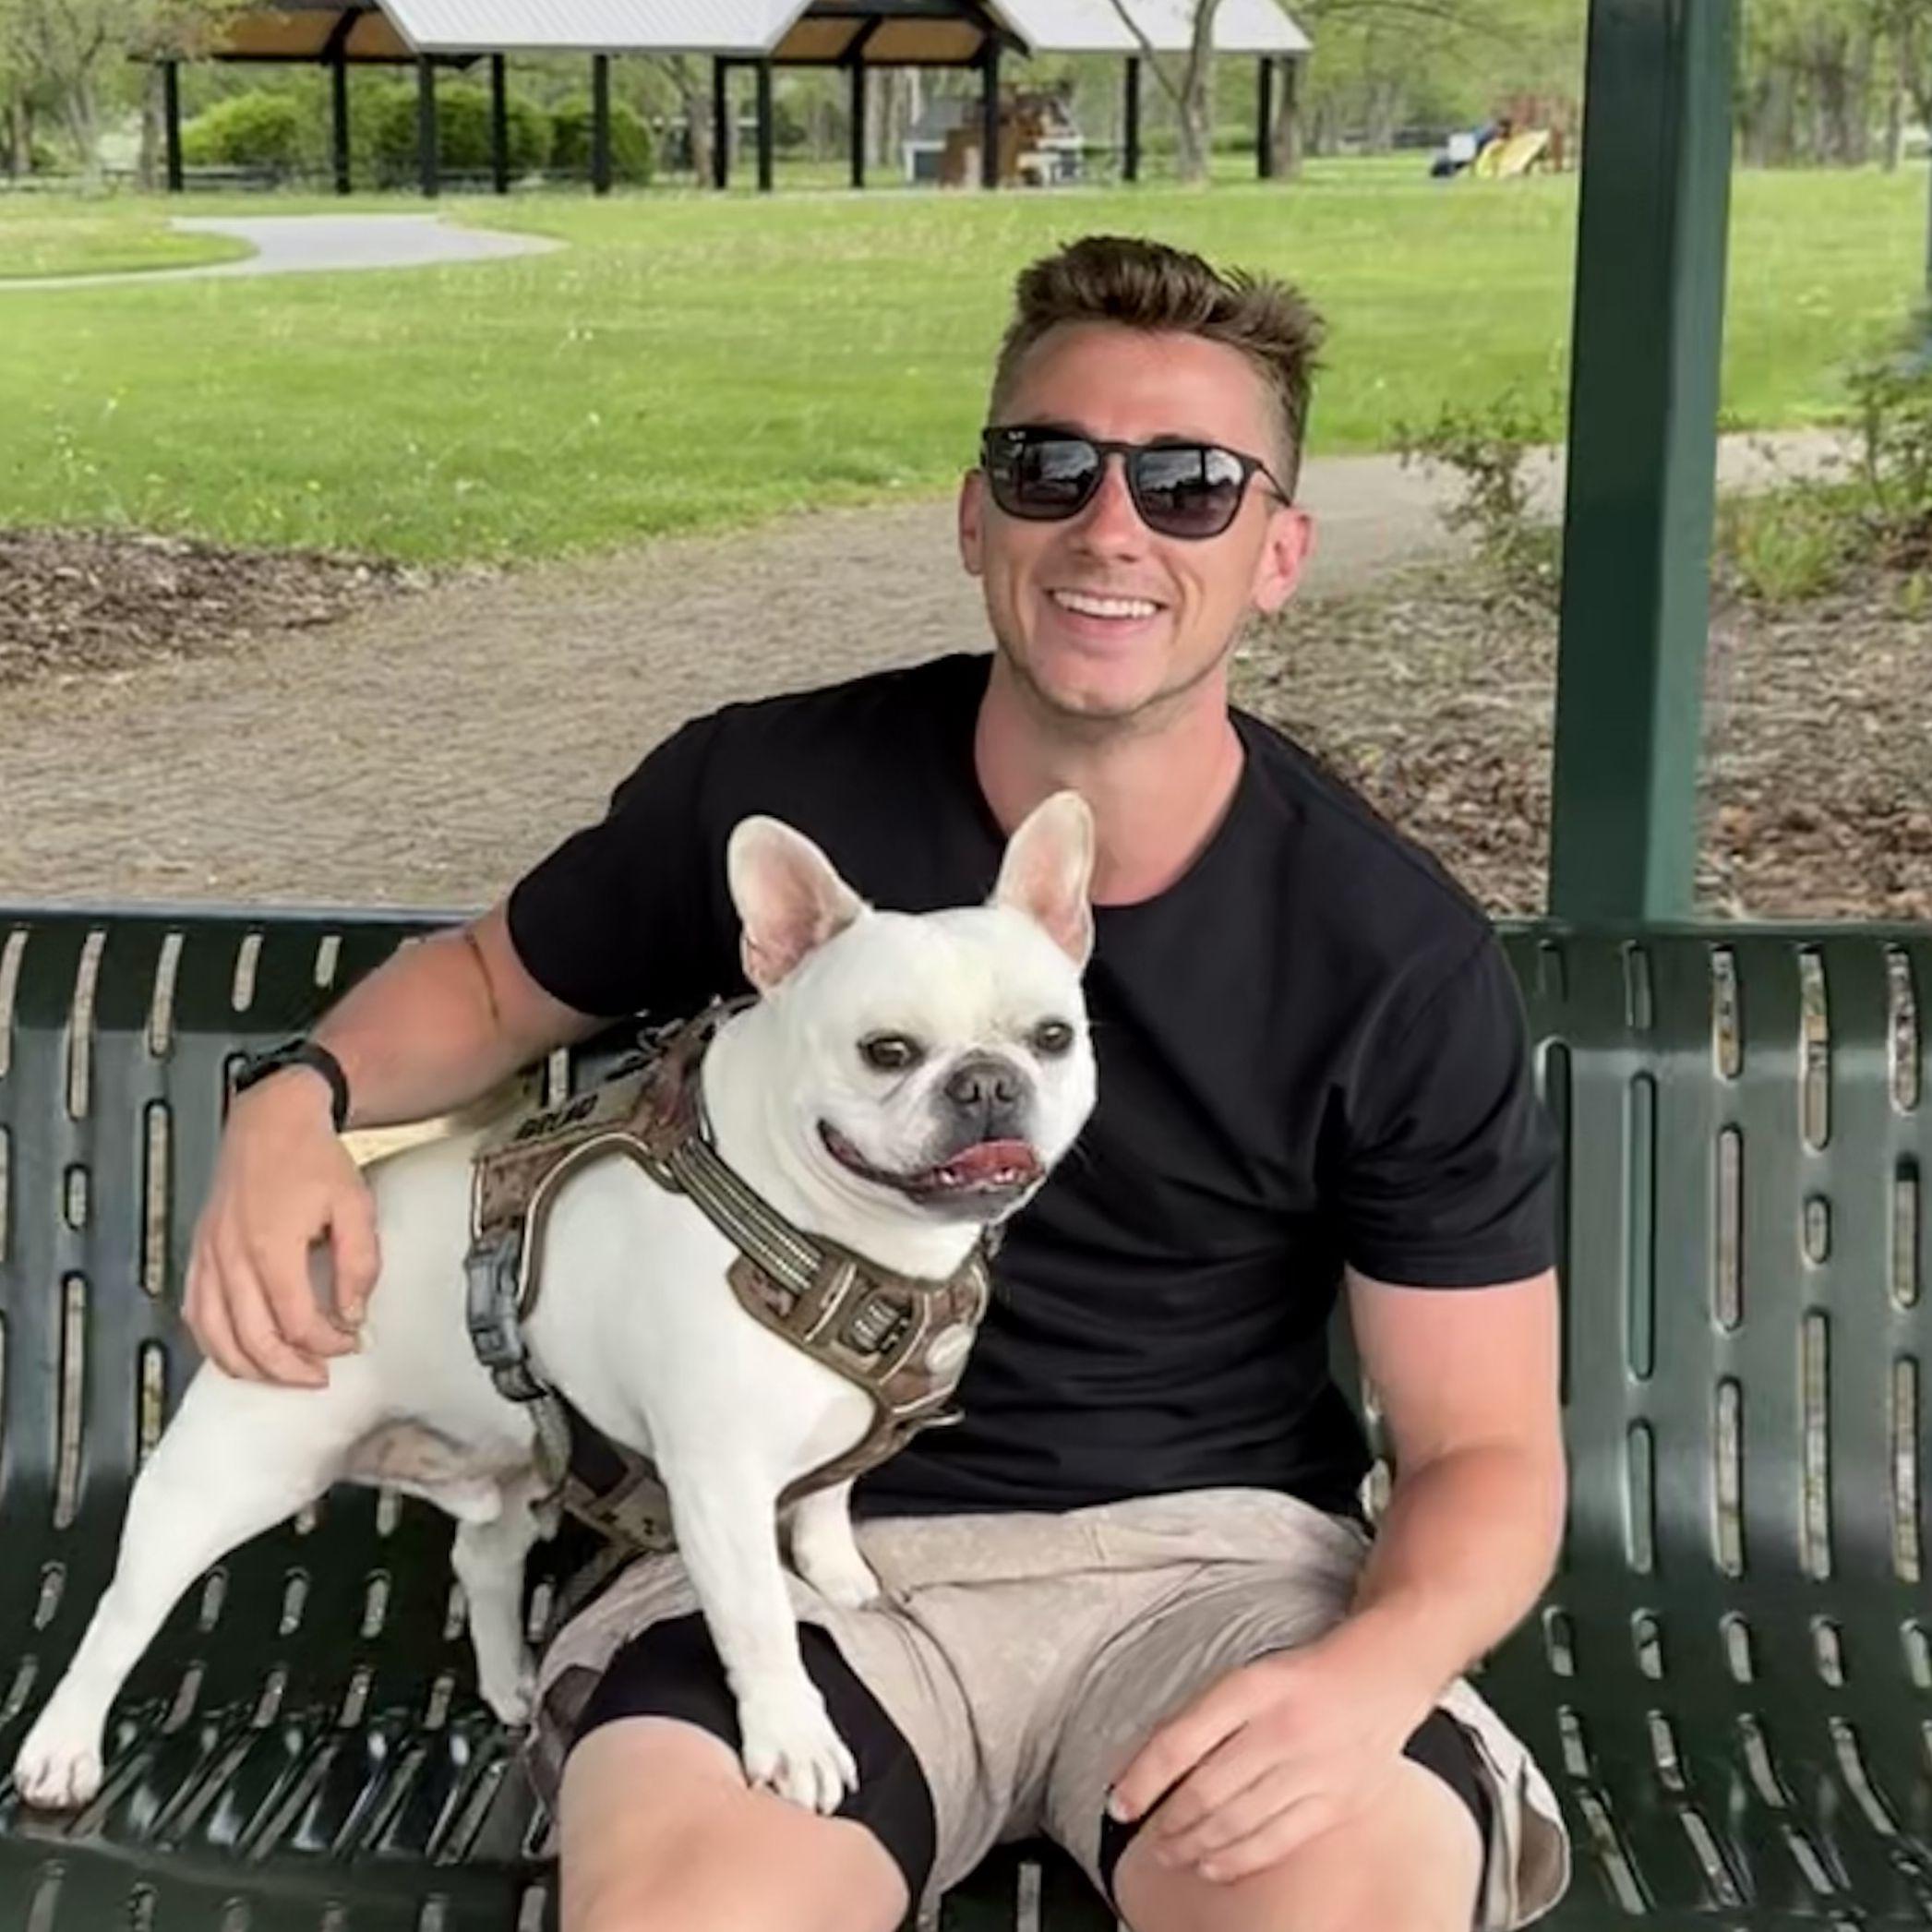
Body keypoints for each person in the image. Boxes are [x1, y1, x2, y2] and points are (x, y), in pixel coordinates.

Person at [186, 234, 1573, 1932]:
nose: (1112, 527)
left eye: (1190, 484)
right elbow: (487, 985)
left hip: (1211, 1568)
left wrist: (1372, 1674)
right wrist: (294, 1095)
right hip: (776, 1547)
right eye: (1051, 466)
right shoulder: (772, 790)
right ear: (976, 515)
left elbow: (1483, 1446)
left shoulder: (1386, 949)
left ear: (1278, 550)